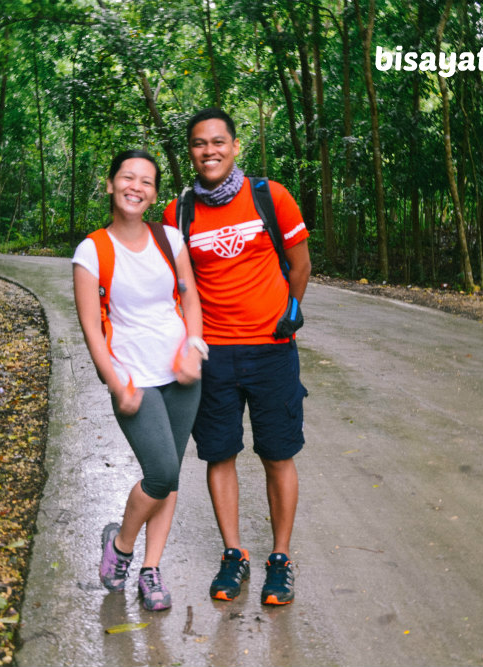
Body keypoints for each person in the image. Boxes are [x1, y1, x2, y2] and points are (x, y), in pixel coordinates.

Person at [162, 108, 311, 605]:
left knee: (277, 453)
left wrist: (290, 312)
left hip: (272, 350)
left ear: (235, 145)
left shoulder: (271, 196)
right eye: (200, 144)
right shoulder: (178, 214)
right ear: (191, 152)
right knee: (219, 453)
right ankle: (233, 554)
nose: (210, 151)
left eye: (218, 141)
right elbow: (176, 285)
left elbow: (300, 262)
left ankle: (281, 559)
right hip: (214, 356)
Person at [72, 149, 205, 612]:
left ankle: (151, 570)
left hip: (182, 375)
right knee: (161, 472)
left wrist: (195, 348)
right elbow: (91, 326)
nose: (136, 186)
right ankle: (122, 547)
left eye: (146, 181)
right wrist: (115, 382)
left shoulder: (170, 239)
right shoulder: (92, 250)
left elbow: (190, 300)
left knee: (170, 477)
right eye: (127, 177)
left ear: (154, 193)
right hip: (134, 380)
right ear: (110, 184)